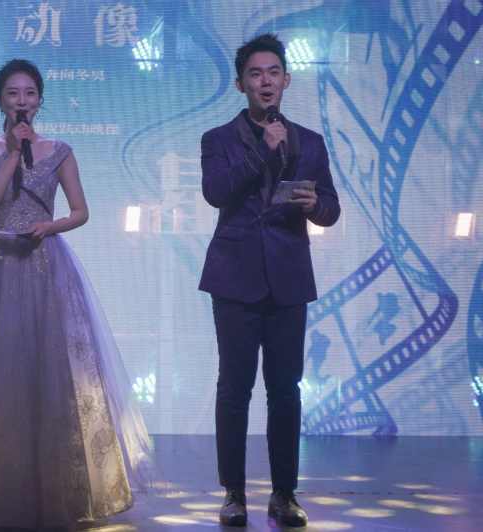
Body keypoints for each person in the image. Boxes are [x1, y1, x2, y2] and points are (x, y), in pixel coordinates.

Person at [0, 59, 162, 530]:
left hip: (45, 266)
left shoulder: (60, 151)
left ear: (40, 100)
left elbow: (80, 210)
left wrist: (50, 226)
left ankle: (54, 491)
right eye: (13, 94)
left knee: (51, 374)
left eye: (30, 93)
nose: (22, 101)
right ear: (0, 100)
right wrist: (13, 155)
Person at [199, 33, 341, 527]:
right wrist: (263, 148)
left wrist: (315, 205)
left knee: (285, 391)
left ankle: (284, 495)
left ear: (287, 80)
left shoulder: (311, 142)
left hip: (289, 279)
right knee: (234, 388)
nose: (266, 81)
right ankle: (234, 494)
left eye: (274, 72)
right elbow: (216, 192)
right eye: (255, 74)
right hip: (234, 278)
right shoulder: (217, 139)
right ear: (241, 84)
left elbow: (331, 208)